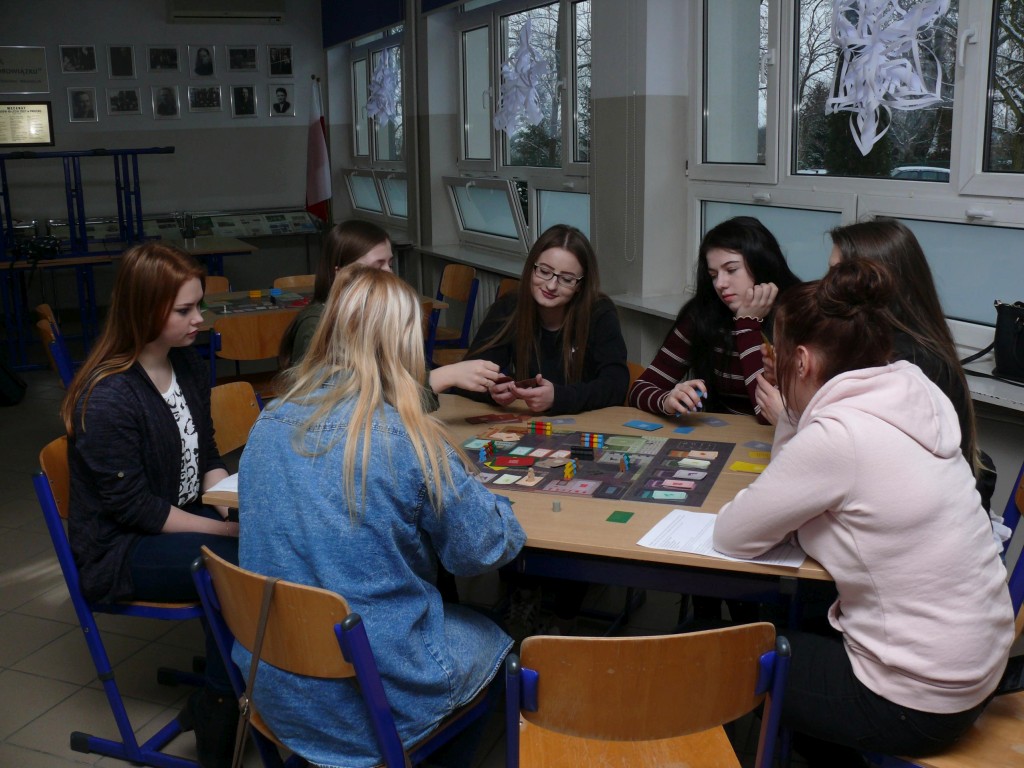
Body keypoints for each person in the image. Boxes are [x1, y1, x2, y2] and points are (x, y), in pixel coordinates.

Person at [713, 259, 1015, 767]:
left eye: (780, 358)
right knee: (796, 633)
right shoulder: (913, 391)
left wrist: (789, 414)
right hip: (980, 668)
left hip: (918, 701)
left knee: (713, 651)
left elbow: (733, 535)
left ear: (802, 362)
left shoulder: (840, 436)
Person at [236, 266, 526, 767]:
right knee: (498, 642)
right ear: (404, 345)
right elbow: (480, 551)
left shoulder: (268, 419)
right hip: (371, 688)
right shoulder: (406, 441)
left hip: (273, 680)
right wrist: (486, 496)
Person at [61, 243, 241, 768]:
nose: (199, 319)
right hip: (122, 548)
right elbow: (136, 509)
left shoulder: (185, 364)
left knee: (264, 541)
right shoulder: (108, 395)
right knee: (235, 564)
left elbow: (208, 453)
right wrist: (225, 532)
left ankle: (238, 678)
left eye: (198, 305)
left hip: (178, 518)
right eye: (185, 310)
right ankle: (219, 702)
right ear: (144, 310)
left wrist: (227, 505)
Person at [778, 218, 998, 515]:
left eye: (836, 273)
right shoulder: (887, 344)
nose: (825, 285)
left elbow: (859, 461)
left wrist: (791, 415)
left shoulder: (906, 364)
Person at [280, 219, 504, 399]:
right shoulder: (316, 326)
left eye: (390, 264)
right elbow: (346, 408)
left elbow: (398, 380)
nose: (389, 274)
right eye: (377, 266)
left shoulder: (377, 316)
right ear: (341, 273)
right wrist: (444, 376)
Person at [629, 216, 800, 424]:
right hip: (720, 435)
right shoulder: (703, 314)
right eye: (713, 275)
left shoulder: (798, 315)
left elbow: (769, 416)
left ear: (761, 264)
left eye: (731, 270)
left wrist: (747, 324)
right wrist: (667, 400)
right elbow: (640, 390)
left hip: (781, 438)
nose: (720, 283)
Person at [457, 223, 629, 414]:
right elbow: (466, 376)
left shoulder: (599, 313)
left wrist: (558, 397)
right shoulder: (510, 307)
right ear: (531, 268)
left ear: (580, 285)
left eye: (567, 279)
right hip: (529, 422)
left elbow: (616, 386)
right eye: (544, 272)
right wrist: (491, 391)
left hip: (587, 423)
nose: (551, 286)